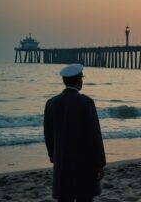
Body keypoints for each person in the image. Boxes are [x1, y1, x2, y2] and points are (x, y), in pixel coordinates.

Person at [44, 64, 106, 202]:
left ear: (64, 81)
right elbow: (94, 135)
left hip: (61, 161)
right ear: (79, 80)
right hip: (84, 162)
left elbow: (48, 134)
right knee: (84, 197)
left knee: (64, 197)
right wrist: (100, 163)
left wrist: (53, 156)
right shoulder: (86, 102)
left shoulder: (51, 103)